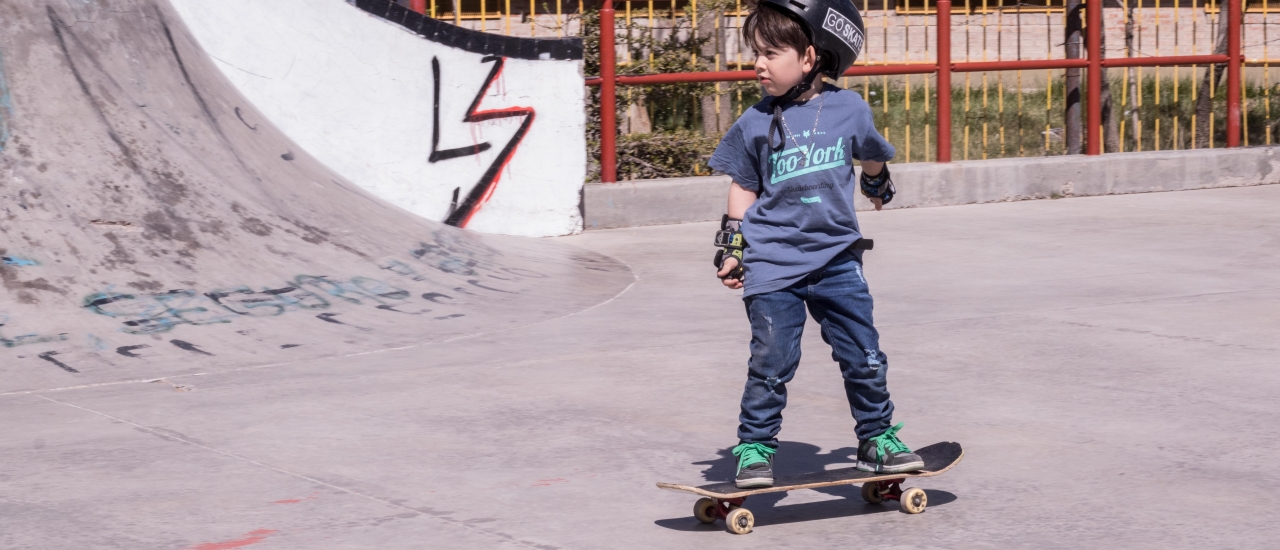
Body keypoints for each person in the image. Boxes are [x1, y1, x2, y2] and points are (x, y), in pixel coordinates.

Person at [708, 0, 924, 489]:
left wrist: (876, 182)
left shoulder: (849, 108)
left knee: (863, 353)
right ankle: (755, 448)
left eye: (770, 53)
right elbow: (743, 185)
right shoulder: (753, 122)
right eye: (755, 53)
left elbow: (869, 153)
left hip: (836, 259)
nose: (757, 64)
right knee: (771, 360)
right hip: (771, 263)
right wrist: (731, 247)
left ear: (809, 58)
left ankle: (877, 438)